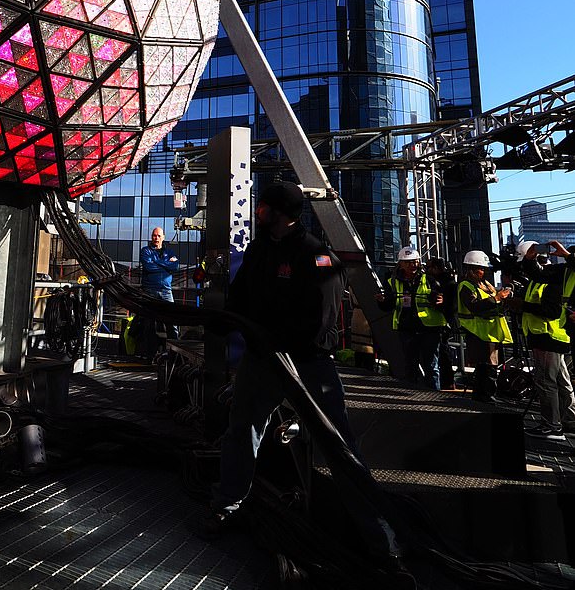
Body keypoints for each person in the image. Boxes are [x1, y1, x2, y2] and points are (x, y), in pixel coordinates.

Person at [199, 181, 352, 533]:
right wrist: (222, 322)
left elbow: (321, 323)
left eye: (263, 207)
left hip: (309, 363)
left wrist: (278, 340)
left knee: (336, 438)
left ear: (279, 213)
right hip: (263, 359)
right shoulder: (259, 250)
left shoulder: (318, 257)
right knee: (242, 430)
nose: (257, 212)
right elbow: (241, 297)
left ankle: (366, 521)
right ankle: (227, 505)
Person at [511, 239, 575, 442]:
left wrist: (523, 306)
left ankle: (553, 426)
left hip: (550, 335)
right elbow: (538, 274)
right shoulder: (559, 273)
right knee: (559, 381)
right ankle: (565, 422)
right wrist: (530, 260)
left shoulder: (565, 274)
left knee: (547, 382)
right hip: (549, 335)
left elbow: (551, 310)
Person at [376, 246, 446, 389]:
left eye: (414, 262)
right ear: (400, 263)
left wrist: (440, 302)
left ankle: (434, 396)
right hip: (407, 327)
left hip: (429, 328)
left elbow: (444, 301)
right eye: (408, 262)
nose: (412, 265)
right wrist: (382, 301)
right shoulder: (392, 281)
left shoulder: (429, 279)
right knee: (410, 364)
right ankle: (413, 395)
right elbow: (389, 306)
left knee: (431, 365)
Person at [456, 250, 513, 402]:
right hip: (478, 332)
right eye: (481, 269)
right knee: (487, 368)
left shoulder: (485, 285)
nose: (484, 272)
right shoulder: (466, 286)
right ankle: (486, 396)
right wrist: (496, 298)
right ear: (471, 269)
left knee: (486, 368)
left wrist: (503, 299)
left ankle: (483, 396)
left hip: (490, 332)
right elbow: (474, 306)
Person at [139, 226, 179, 352]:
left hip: (166, 291)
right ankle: (149, 353)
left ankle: (174, 353)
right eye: (154, 235)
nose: (156, 238)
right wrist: (166, 264)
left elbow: (175, 267)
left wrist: (157, 262)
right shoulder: (145, 251)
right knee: (148, 323)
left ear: (163, 237)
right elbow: (148, 267)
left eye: (159, 236)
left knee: (171, 321)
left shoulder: (170, 252)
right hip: (149, 290)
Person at [425, 255, 459, 389]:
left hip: (443, 321)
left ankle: (447, 381)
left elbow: (450, 306)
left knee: (442, 352)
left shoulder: (446, 283)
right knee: (441, 352)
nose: (426, 270)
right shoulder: (446, 281)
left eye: (429, 267)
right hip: (442, 321)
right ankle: (447, 381)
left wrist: (438, 305)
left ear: (436, 268)